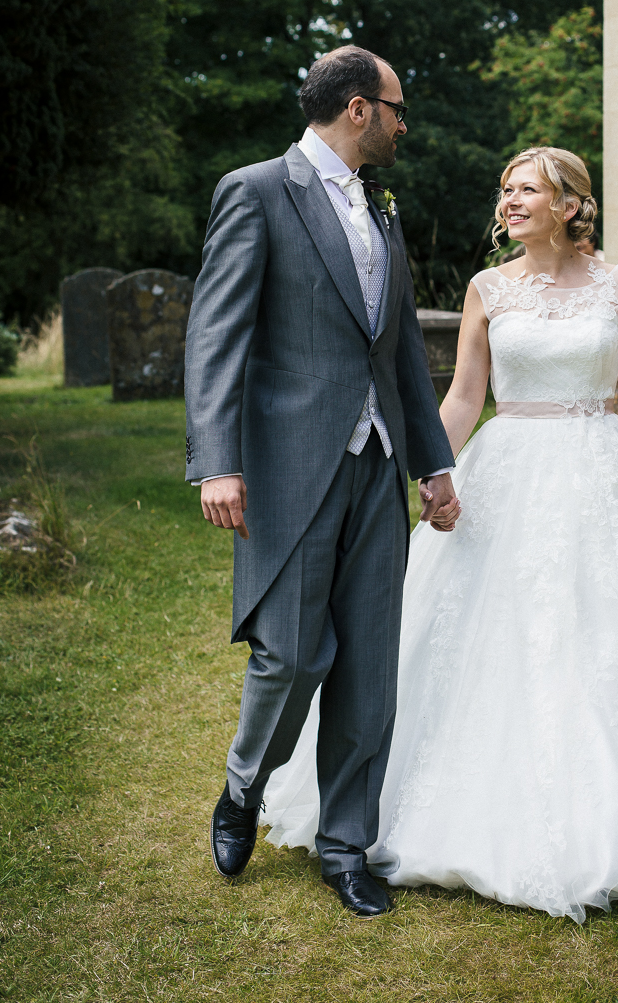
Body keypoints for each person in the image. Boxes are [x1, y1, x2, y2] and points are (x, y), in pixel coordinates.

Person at [259, 147, 618, 921]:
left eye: (527, 190)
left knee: (610, 628)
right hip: (505, 470)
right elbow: (465, 394)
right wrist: (429, 473)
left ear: (570, 205)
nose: (509, 201)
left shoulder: (616, 287)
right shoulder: (487, 289)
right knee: (481, 632)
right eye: (505, 190)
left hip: (600, 472)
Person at [183, 46, 459, 919]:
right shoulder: (256, 190)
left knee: (369, 669)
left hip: (378, 465)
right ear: (356, 109)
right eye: (396, 108)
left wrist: (434, 462)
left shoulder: (383, 207)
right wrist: (216, 461)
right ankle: (242, 788)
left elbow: (402, 346)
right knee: (293, 655)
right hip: (289, 463)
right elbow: (216, 334)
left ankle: (347, 846)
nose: (402, 124)